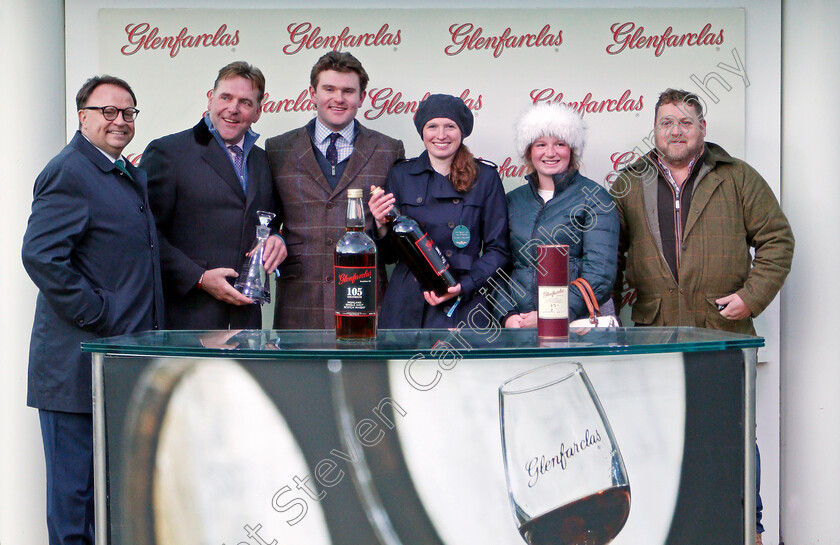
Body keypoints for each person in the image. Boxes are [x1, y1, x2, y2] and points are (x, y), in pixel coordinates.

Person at [611, 88, 795, 545]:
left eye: (685, 122)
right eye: (666, 123)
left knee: (732, 437)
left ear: (702, 129)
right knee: (661, 437)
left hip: (722, 329)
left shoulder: (737, 178)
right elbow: (607, 255)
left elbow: (777, 239)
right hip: (654, 332)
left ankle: (745, 530)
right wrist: (606, 314)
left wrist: (751, 297)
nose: (675, 130)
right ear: (654, 131)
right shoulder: (628, 182)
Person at [22, 75, 163, 545]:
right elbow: (41, 255)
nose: (119, 121)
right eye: (108, 111)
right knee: (73, 505)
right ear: (82, 117)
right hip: (73, 371)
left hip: (115, 365)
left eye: (127, 113)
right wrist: (99, 314)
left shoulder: (122, 170)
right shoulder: (70, 170)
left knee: (109, 503)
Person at [141, 61, 285, 330]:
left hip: (245, 323)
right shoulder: (168, 153)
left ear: (257, 111)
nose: (233, 108)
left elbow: (269, 221)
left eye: (245, 102)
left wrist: (277, 237)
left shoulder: (262, 160)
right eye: (226, 97)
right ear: (210, 99)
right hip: (187, 320)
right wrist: (199, 277)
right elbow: (145, 233)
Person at [266, 51, 404, 329]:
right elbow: (265, 221)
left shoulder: (389, 150)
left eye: (348, 91)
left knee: (364, 375)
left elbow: (393, 251)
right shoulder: (276, 149)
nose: (338, 98)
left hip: (365, 301)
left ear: (361, 97)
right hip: (299, 303)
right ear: (312, 93)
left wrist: (382, 226)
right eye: (329, 89)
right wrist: (274, 237)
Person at [368, 94, 510, 329]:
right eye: (432, 126)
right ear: (422, 131)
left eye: (450, 126)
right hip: (407, 302)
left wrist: (464, 285)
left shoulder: (486, 178)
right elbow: (388, 257)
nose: (441, 135)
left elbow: (499, 250)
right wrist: (380, 224)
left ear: (462, 131)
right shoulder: (401, 175)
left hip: (464, 299)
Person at [495, 102, 619, 328]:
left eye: (559, 144)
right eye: (541, 144)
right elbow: (498, 265)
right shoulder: (512, 201)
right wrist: (507, 314)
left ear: (571, 150)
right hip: (523, 326)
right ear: (529, 151)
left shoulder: (595, 198)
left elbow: (600, 275)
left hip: (577, 325)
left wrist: (549, 315)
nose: (550, 153)